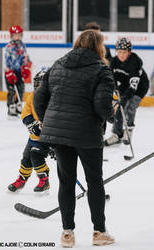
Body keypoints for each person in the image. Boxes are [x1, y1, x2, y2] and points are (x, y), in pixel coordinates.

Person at [34, 30, 115, 247]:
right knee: (95, 182)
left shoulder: (58, 65)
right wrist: (112, 113)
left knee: (66, 182)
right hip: (88, 134)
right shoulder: (101, 70)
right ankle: (99, 232)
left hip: (61, 135)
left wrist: (51, 125)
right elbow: (102, 106)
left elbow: (39, 100)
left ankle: (67, 234)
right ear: (99, 46)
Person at [7, 70, 50, 193]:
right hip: (33, 137)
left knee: (36, 156)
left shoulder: (53, 98)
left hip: (47, 137)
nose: (38, 86)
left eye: (41, 84)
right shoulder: (32, 96)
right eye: (37, 83)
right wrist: (31, 123)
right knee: (26, 158)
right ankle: (22, 179)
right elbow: (25, 113)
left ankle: (44, 180)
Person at [104, 38, 149, 146]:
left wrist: (125, 97)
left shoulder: (134, 62)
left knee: (130, 107)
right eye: (119, 52)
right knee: (119, 107)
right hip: (125, 85)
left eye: (124, 52)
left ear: (129, 52)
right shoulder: (114, 62)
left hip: (140, 87)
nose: (121, 55)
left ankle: (129, 130)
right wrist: (115, 88)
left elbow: (133, 85)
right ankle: (117, 133)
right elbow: (112, 77)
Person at [4, 25, 31, 117]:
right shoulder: (9, 46)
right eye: (16, 35)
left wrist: (26, 67)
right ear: (11, 35)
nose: (18, 37)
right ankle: (11, 107)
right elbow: (7, 60)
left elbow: (25, 57)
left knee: (21, 88)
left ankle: (18, 105)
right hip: (10, 71)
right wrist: (9, 72)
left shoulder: (22, 45)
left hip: (19, 71)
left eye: (19, 35)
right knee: (11, 90)